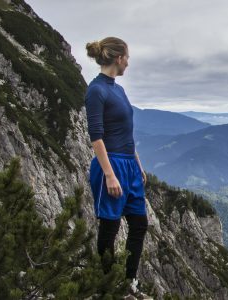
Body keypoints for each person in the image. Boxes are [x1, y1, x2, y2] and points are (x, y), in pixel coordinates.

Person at [84, 37, 151, 299]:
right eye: (127, 58)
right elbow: (96, 137)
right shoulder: (96, 91)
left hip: (129, 165)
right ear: (118, 58)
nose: (128, 63)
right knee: (110, 228)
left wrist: (138, 164)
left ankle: (129, 282)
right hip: (110, 166)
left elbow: (125, 132)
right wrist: (110, 175)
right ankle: (106, 286)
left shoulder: (118, 90)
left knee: (139, 223)